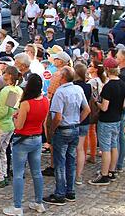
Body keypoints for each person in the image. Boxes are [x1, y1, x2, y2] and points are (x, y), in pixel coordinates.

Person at [3, 74, 49, 216]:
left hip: (23, 140)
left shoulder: (26, 103)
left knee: (18, 173)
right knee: (36, 172)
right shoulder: (46, 101)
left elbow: (19, 125)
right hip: (36, 138)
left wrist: (14, 117)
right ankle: (39, 202)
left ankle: (17, 206)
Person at [44, 66, 90, 206]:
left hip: (63, 129)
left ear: (63, 78)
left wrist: (51, 131)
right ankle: (70, 191)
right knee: (70, 161)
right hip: (74, 128)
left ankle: (59, 194)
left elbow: (57, 117)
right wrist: (77, 121)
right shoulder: (78, 89)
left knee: (60, 162)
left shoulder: (60, 92)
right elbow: (87, 109)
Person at [89, 57, 125, 186]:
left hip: (106, 120)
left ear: (106, 69)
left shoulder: (108, 86)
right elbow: (123, 104)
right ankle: (112, 171)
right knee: (114, 146)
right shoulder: (122, 84)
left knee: (105, 148)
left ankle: (104, 175)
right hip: (117, 118)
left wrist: (96, 101)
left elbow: (104, 107)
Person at [0, 66, 22, 188]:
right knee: (2, 150)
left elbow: (3, 112)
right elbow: (11, 109)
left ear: (10, 75)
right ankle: (3, 173)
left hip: (1, 124)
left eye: (5, 72)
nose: (3, 74)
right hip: (9, 125)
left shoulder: (6, 91)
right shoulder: (17, 89)